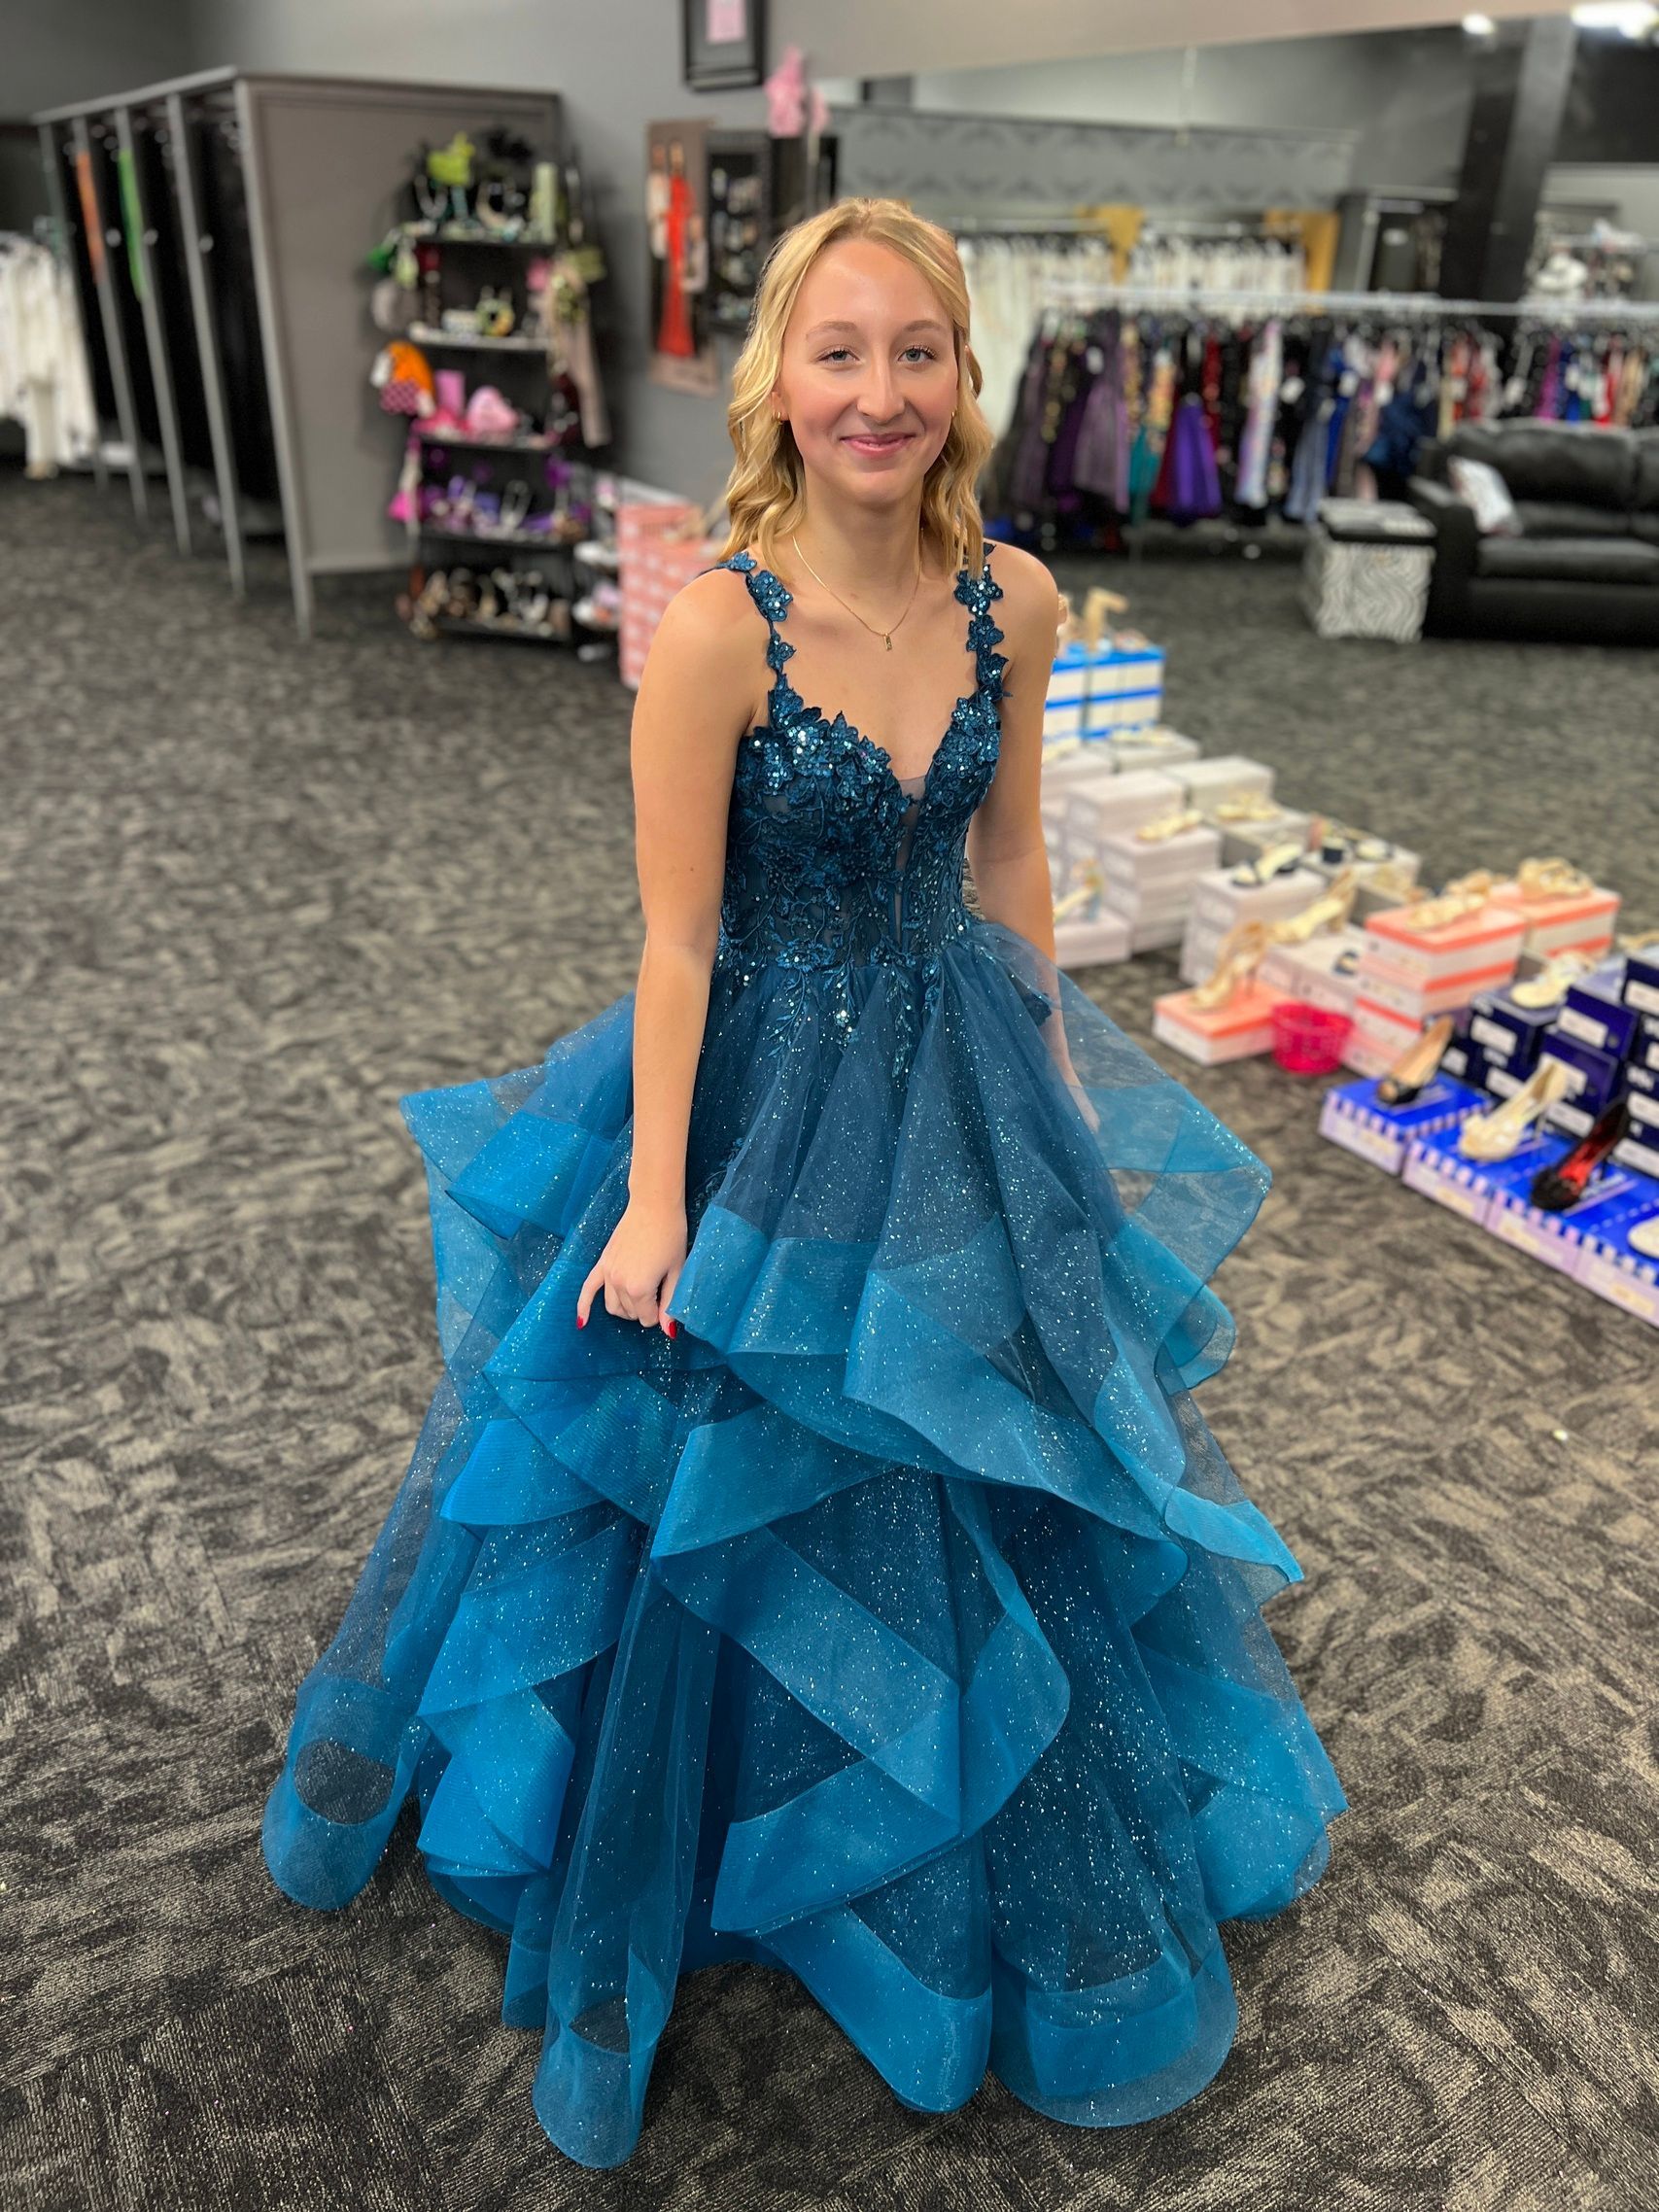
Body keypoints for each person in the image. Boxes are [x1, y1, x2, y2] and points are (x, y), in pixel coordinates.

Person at [261, 195, 1347, 2172]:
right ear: (779, 377)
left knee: (970, 1451)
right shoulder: (710, 624)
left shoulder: (1012, 598)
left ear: (961, 376)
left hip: (952, 1072)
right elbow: (674, 940)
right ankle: (715, 1816)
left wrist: (1053, 1104)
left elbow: (1007, 867)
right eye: (838, 352)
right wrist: (658, 1203)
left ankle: (943, 1802)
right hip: (753, 1092)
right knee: (726, 1461)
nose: (879, 393)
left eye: (915, 352)